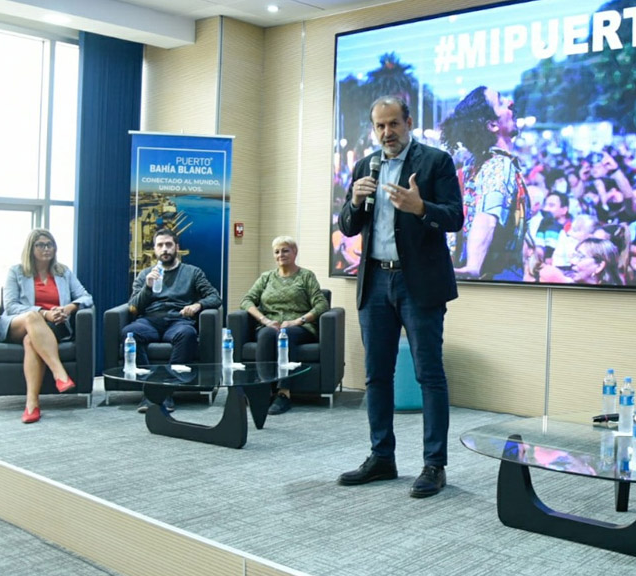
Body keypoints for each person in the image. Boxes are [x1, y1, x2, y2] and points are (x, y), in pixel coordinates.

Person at [337, 95, 463, 499]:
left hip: (418, 284)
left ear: (408, 122)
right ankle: (382, 457)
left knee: (429, 374)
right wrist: (355, 201)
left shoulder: (435, 162)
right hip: (375, 281)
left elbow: (456, 217)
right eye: (380, 126)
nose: (387, 133)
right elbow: (348, 226)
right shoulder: (364, 166)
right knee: (376, 375)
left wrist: (420, 206)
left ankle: (434, 465)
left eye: (394, 124)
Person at [0, 229, 93, 424]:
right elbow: (11, 305)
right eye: (41, 245)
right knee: (32, 318)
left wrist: (67, 309)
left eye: (50, 245)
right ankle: (60, 373)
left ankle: (32, 404)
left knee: (30, 341)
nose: (46, 249)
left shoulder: (63, 272)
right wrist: (44, 312)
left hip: (53, 326)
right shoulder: (16, 272)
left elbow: (86, 297)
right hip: (17, 323)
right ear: (31, 248)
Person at [123, 228, 221, 413]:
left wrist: (197, 305)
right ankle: (151, 389)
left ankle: (164, 392)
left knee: (187, 334)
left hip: (178, 320)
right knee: (130, 334)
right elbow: (133, 307)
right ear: (154, 249)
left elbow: (215, 297)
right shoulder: (145, 274)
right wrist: (147, 287)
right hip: (150, 321)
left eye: (168, 244)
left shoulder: (192, 272)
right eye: (160, 245)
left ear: (176, 247)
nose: (165, 249)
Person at [440, 86, 529, 281]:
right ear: (492, 125)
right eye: (501, 101)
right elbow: (487, 216)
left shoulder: (472, 168)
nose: (511, 103)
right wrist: (474, 266)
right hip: (497, 281)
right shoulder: (500, 165)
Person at [240, 236, 330, 415]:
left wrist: (298, 321)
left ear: (295, 252)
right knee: (266, 334)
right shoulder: (266, 277)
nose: (281, 254)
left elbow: (321, 304)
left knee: (285, 334)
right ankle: (264, 389)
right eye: (277, 251)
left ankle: (284, 393)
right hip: (271, 325)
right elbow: (247, 300)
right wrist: (265, 320)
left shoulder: (306, 276)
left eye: (285, 250)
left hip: (299, 326)